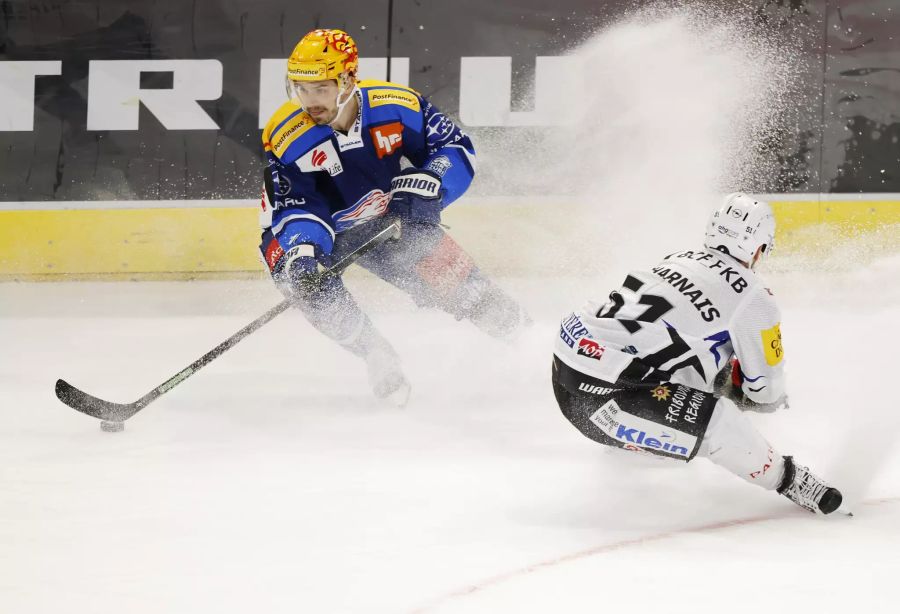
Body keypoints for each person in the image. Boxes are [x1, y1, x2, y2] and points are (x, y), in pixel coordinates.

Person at [258, 29, 527, 406]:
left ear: (348, 80)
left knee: (459, 282)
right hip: (312, 232)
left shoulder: (397, 105)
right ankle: (376, 355)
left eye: (319, 88)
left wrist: (429, 182)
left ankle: (528, 339)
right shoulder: (287, 135)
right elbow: (297, 205)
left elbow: (454, 148)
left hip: (385, 217)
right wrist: (303, 252)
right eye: (300, 88)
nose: (309, 100)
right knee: (307, 285)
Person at [551, 193, 845, 515]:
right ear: (759, 247)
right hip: (607, 397)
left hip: (568, 364)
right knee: (721, 420)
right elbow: (766, 392)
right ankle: (791, 480)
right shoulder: (755, 296)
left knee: (695, 364)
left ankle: (637, 447)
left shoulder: (678, 257)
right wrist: (743, 389)